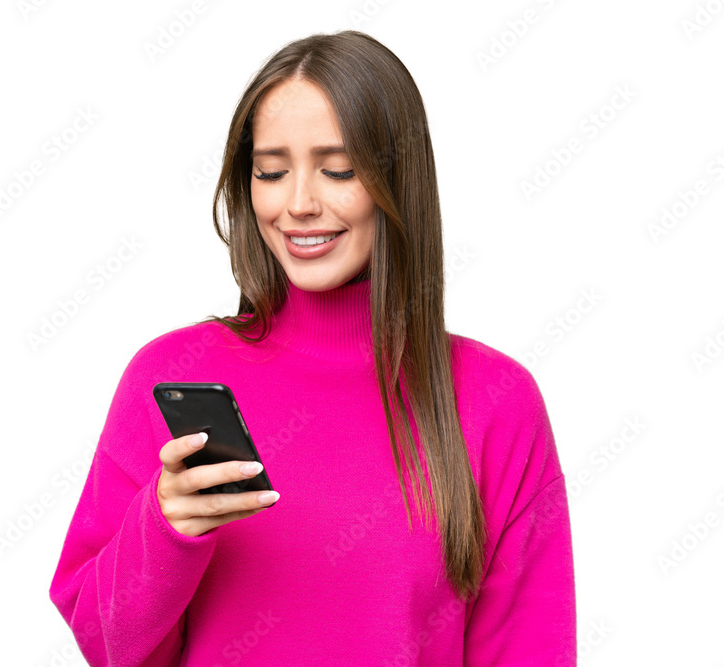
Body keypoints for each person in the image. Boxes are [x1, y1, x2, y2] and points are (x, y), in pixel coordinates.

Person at [49, 29, 576, 666]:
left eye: (339, 170)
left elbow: (528, 649)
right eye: (271, 172)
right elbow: (105, 646)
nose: (298, 203)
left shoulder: (495, 400)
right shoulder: (168, 375)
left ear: (397, 180)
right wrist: (164, 532)